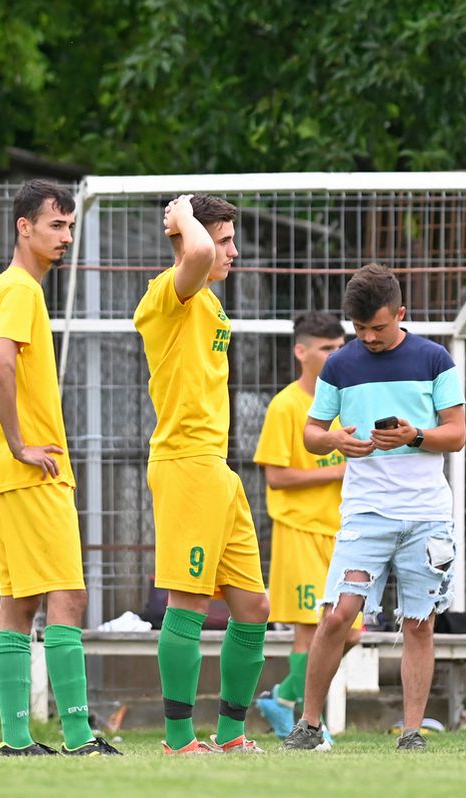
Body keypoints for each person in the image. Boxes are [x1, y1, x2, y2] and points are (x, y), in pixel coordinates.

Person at [0, 180, 121, 756]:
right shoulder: (22, 289)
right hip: (36, 473)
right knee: (67, 596)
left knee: (18, 603)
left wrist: (1, 446)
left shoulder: (3, 288)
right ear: (23, 227)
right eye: (56, 225)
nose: (66, 236)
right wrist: (21, 444)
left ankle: (15, 740)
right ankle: (78, 737)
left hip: (12, 476)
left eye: (70, 226)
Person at [283, 264, 466, 752]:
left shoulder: (435, 359)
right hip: (365, 513)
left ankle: (412, 733)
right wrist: (336, 440)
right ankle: (309, 725)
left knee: (419, 623)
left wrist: (415, 435)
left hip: (427, 515)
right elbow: (312, 434)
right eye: (360, 328)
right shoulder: (339, 365)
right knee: (338, 614)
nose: (368, 337)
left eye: (378, 327)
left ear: (401, 313)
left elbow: (457, 434)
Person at [133, 194, 269, 755]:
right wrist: (182, 215)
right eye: (224, 240)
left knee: (253, 607)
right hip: (185, 463)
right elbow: (193, 254)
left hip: (217, 468)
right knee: (187, 602)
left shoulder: (209, 303)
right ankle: (177, 741)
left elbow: (202, 253)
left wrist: (196, 226)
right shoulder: (171, 293)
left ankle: (231, 735)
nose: (232, 252)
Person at [254, 312, 362, 739]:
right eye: (326, 348)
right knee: (309, 629)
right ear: (301, 352)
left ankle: (282, 699)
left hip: (343, 531)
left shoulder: (348, 401)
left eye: (340, 347)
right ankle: (308, 723)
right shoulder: (286, 406)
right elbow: (276, 476)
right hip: (299, 530)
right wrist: (335, 472)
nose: (336, 355)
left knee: (350, 633)